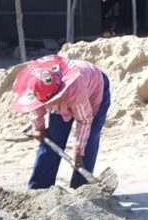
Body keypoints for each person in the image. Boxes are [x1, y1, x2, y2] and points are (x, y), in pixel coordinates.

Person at [10, 54, 111, 190]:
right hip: (65, 94)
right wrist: (38, 128)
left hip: (94, 89)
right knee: (52, 139)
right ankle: (39, 187)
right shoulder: (36, 86)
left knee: (87, 143)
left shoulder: (75, 89)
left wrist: (78, 152)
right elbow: (35, 105)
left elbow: (84, 121)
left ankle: (81, 188)